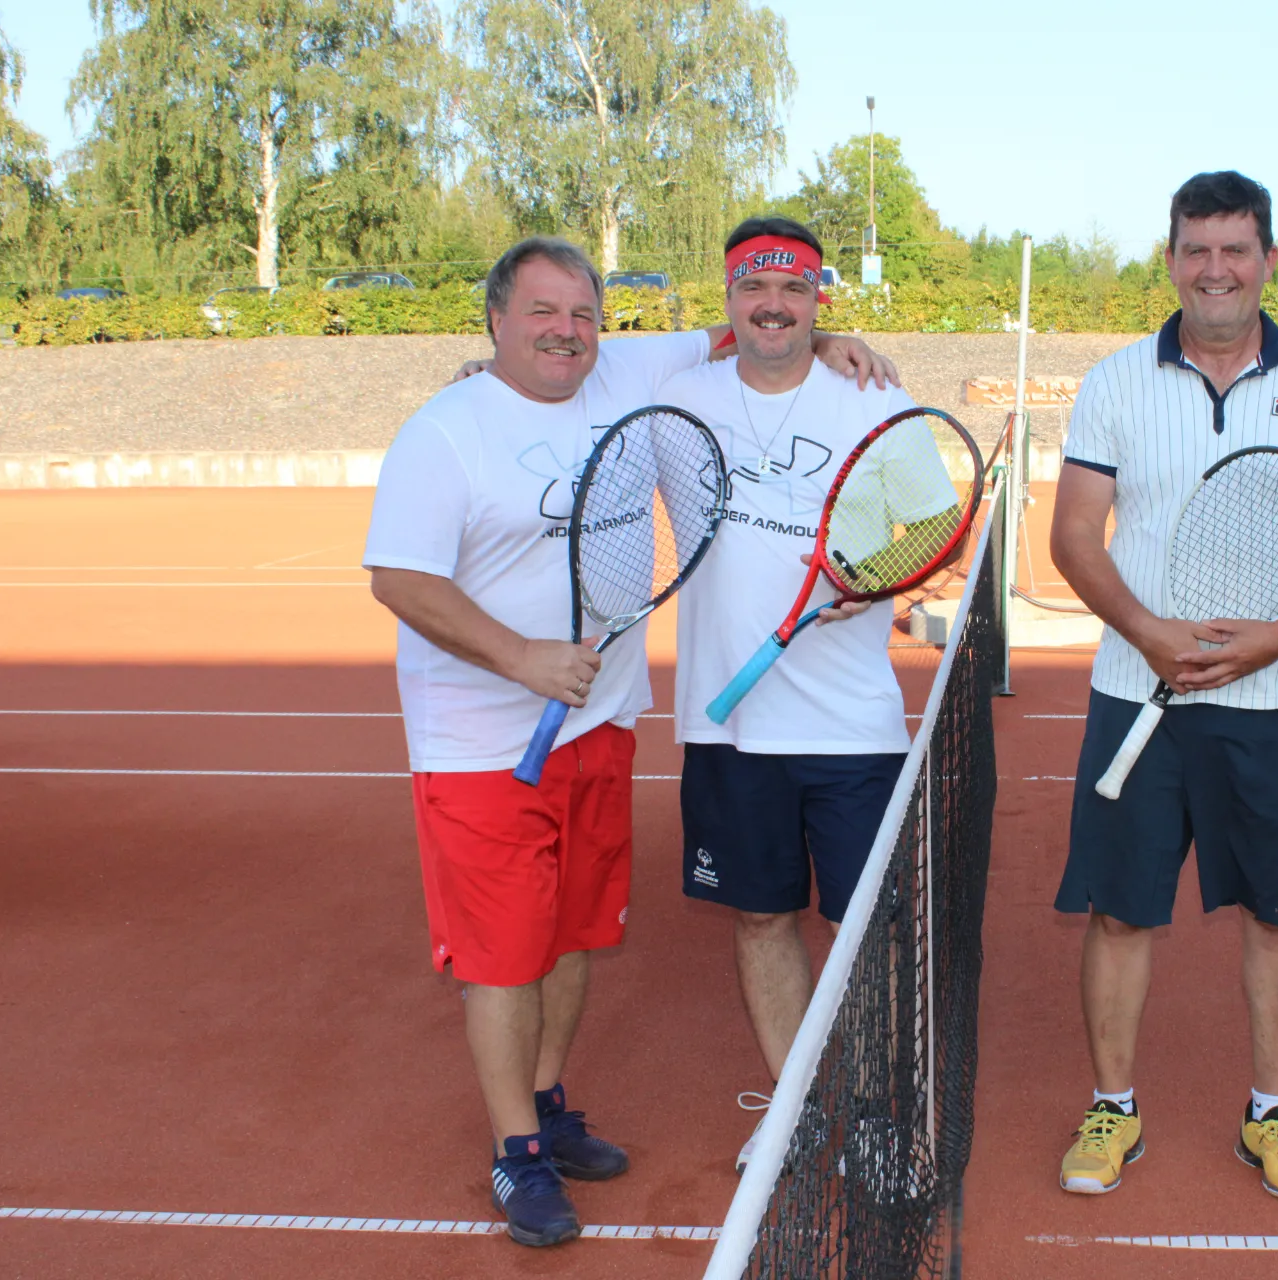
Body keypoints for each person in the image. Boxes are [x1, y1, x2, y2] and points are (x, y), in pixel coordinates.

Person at [366, 235, 894, 1248]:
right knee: (502, 957)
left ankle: (549, 1101)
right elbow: (401, 579)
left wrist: (838, 338)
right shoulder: (446, 431)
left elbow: (754, 324)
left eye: (582, 313)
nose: (565, 331)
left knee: (571, 935)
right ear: (495, 319)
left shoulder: (630, 373)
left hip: (599, 722)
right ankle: (516, 1149)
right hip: (481, 744)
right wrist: (521, 658)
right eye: (541, 313)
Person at [1047, 172, 1278, 1201]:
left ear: (1268, 259)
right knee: (1118, 912)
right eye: (1197, 248)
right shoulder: (1113, 381)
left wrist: (1277, 637)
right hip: (1133, 691)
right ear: (1171, 258)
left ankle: (1271, 1114)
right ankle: (1113, 1107)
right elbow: (1072, 535)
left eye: (1236, 249)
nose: (1216, 268)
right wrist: (1147, 633)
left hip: (1273, 705)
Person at [656, 214, 957, 1172]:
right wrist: (477, 376)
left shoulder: (869, 400)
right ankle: (795, 1106)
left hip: (851, 726)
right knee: (759, 918)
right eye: (754, 287)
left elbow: (936, 526)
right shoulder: (678, 399)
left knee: (862, 931)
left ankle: (872, 1111)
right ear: (730, 297)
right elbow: (566, 374)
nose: (773, 305)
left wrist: (868, 579)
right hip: (726, 721)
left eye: (794, 290)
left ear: (818, 296)